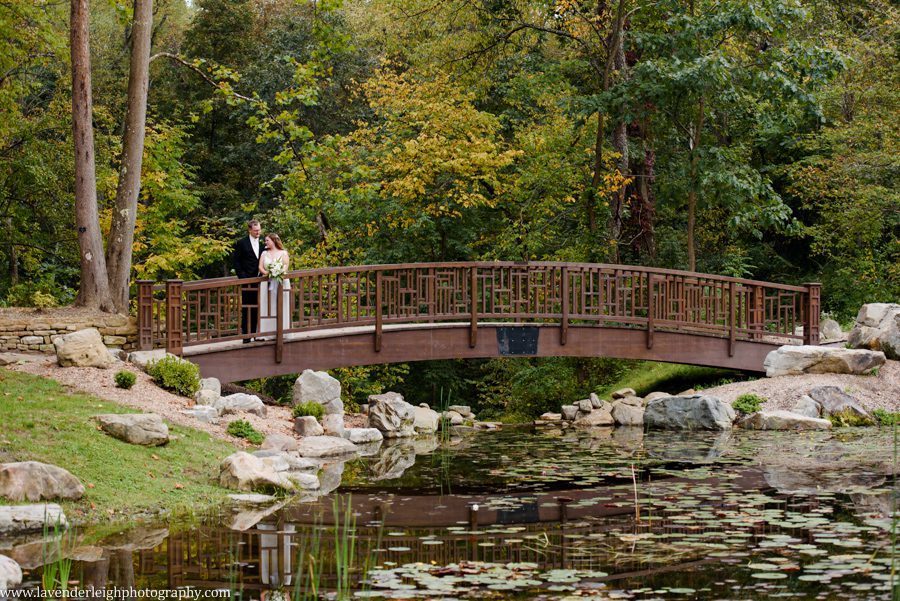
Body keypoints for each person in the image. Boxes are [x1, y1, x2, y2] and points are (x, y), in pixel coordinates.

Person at [233, 219, 262, 342]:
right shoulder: (241, 243)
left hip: (262, 280)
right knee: (247, 307)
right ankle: (246, 335)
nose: (258, 232)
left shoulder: (264, 242)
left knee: (259, 307)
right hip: (247, 280)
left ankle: (256, 333)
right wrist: (243, 277)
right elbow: (236, 262)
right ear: (249, 230)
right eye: (256, 230)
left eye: (259, 230)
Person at [258, 233, 291, 336]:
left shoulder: (283, 253)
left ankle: (283, 332)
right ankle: (267, 333)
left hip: (281, 282)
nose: (265, 242)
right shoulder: (264, 253)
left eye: (267, 240)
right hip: (267, 283)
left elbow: (285, 266)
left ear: (273, 241)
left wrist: (278, 272)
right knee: (267, 305)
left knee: (281, 305)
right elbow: (260, 267)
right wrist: (268, 273)